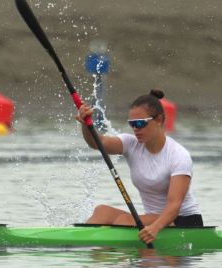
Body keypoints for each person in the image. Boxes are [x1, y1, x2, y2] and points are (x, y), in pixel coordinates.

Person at [76, 89, 202, 244]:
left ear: (159, 120)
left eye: (141, 123)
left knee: (123, 221)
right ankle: (78, 247)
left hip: (183, 222)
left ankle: (105, 255)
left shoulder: (178, 156)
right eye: (132, 124)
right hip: (152, 221)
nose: (136, 129)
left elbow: (174, 205)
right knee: (101, 211)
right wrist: (86, 124)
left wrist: (155, 228)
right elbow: (97, 143)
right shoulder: (131, 144)